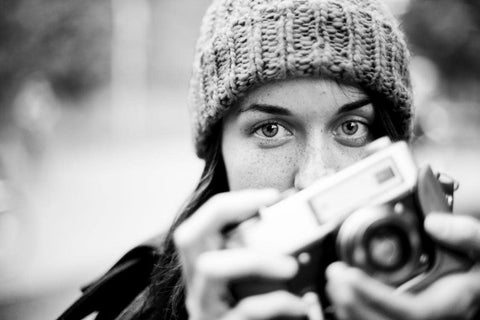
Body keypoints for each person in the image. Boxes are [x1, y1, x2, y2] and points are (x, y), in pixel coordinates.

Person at [58, 0, 480, 319]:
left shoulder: (456, 290)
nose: (316, 177)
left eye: (352, 127)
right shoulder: (133, 305)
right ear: (217, 153)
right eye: (271, 130)